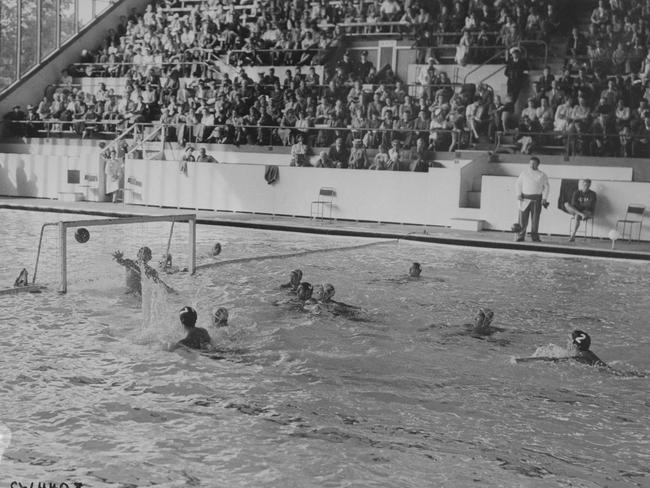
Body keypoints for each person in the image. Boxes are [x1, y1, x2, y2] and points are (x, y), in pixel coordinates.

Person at [515, 156, 549, 242]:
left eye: (534, 163)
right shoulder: (524, 173)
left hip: (537, 199)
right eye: (530, 163)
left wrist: (544, 198)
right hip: (524, 199)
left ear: (538, 164)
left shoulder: (542, 175)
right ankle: (521, 235)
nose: (531, 165)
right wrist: (518, 194)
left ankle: (534, 236)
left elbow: (547, 187)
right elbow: (518, 184)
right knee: (522, 219)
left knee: (535, 219)